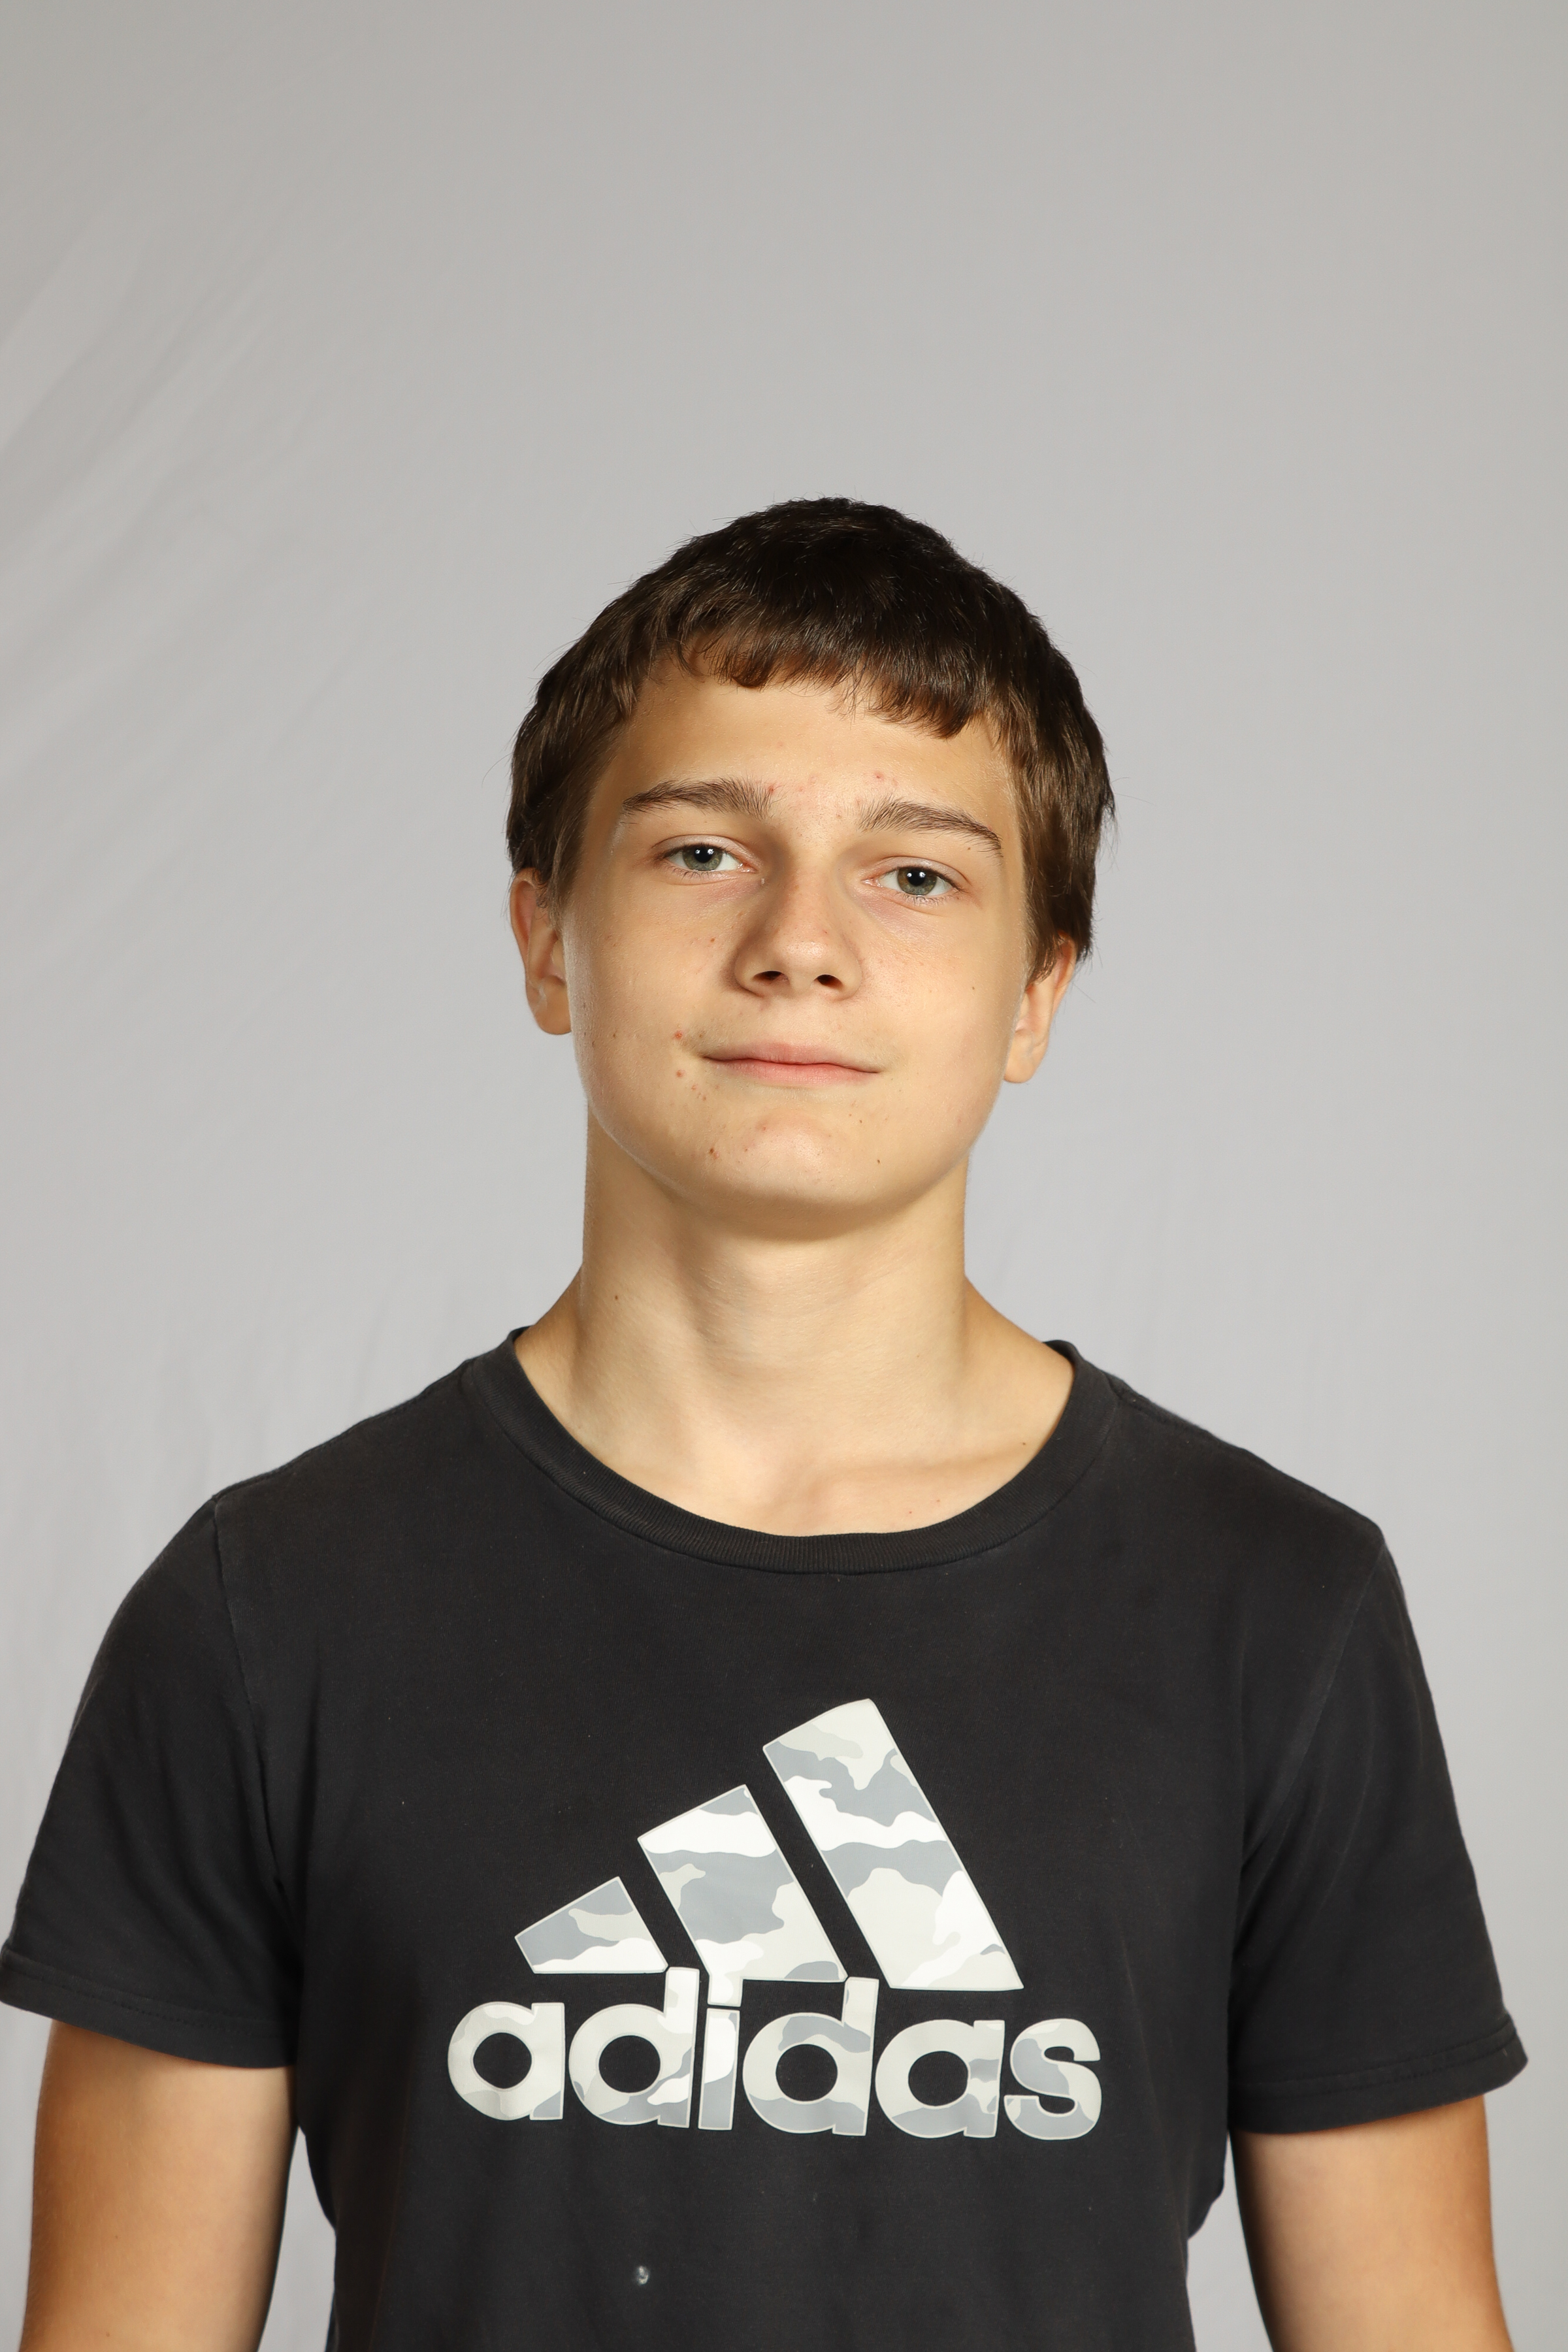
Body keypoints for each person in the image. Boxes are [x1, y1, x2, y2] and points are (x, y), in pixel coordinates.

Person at [3, 498, 1524, 2351]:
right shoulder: (269, 1612)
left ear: (1038, 990)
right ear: (547, 939)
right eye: (705, 850)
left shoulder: (1275, 1611)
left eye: (917, 875)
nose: (799, 943)